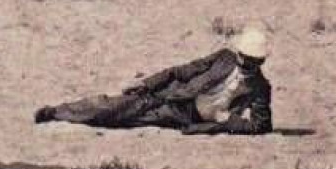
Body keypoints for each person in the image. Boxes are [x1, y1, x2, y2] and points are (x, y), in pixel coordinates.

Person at [34, 28, 273, 134]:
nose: (248, 65)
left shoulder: (261, 88)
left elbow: (261, 126)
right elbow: (184, 71)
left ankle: (69, 114)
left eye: (255, 62)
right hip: (172, 98)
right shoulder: (223, 58)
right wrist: (148, 84)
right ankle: (57, 112)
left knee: (120, 121)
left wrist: (229, 120)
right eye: (245, 59)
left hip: (186, 120)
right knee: (113, 108)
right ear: (239, 54)